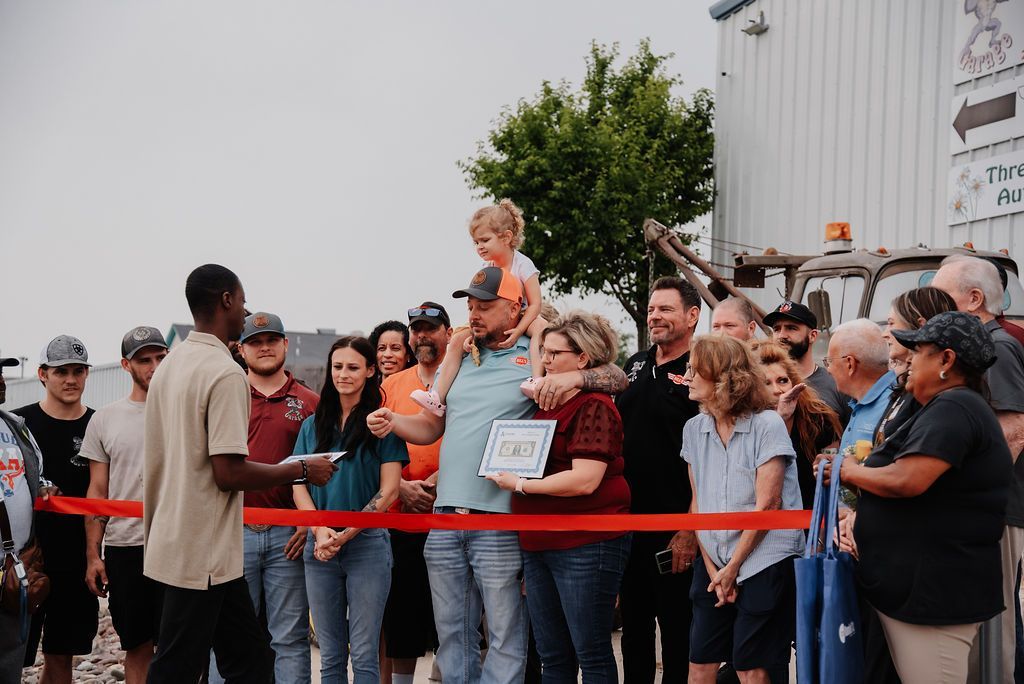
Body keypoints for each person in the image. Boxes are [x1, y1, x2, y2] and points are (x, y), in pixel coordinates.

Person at [367, 266, 627, 684]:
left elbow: (614, 377)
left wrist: (567, 363)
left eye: (486, 306)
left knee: (505, 634)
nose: (474, 313)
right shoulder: (462, 357)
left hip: (501, 517)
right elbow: (432, 426)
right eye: (470, 305)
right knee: (452, 634)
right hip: (447, 515)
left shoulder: (541, 352)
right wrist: (393, 420)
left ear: (515, 309)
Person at [143, 264, 338, 683]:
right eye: (243, 302)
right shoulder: (225, 371)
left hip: (180, 539)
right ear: (226, 301)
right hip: (205, 550)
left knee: (249, 660)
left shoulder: (169, 367)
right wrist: (301, 468)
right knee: (178, 664)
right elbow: (228, 472)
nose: (245, 312)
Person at [822, 311, 1011, 684]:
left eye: (919, 351)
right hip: (917, 590)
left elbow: (908, 479)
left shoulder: (956, 407)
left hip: (934, 596)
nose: (908, 360)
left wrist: (845, 471)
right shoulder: (943, 406)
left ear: (946, 360)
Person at [487, 311, 631, 683]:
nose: (545, 360)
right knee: (553, 656)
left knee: (591, 651)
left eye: (554, 353)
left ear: (582, 359)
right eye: (544, 352)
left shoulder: (595, 404)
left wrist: (520, 485)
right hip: (540, 544)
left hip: (585, 542)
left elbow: (585, 480)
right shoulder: (548, 402)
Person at [683, 335, 804, 682]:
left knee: (752, 667)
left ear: (724, 377)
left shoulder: (767, 425)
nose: (688, 377)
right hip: (714, 560)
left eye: (696, 370)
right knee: (700, 664)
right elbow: (697, 504)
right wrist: (714, 570)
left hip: (765, 557)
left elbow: (769, 505)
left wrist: (733, 567)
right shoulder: (693, 428)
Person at [291, 336, 408, 684]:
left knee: (364, 653)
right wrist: (319, 530)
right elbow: (298, 483)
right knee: (330, 655)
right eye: (338, 366)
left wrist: (346, 535)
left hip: (367, 545)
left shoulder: (381, 425)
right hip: (321, 546)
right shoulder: (312, 425)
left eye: (353, 367)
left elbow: (388, 491)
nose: (344, 374)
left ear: (371, 371)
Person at [932, 254, 1024, 681]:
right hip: (990, 507)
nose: (934, 307)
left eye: (942, 296)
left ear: (973, 299)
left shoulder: (997, 348)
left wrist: (977, 500)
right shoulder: (985, 344)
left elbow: (1013, 432)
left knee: (995, 628)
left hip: (998, 510)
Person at [221, 311, 320, 684]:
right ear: (241, 350)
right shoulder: (224, 394)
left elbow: (325, 468)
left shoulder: (309, 401)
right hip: (233, 531)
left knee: (290, 639)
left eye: (271, 340)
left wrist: (308, 522)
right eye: (255, 342)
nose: (264, 348)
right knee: (227, 636)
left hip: (288, 539)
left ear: (285, 344)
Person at [616, 276, 701, 684]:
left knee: (677, 634)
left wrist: (689, 527)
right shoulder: (635, 364)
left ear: (692, 315)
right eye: (652, 309)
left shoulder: (702, 371)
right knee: (633, 633)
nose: (655, 317)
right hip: (627, 526)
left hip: (676, 529)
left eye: (665, 309)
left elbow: (709, 460)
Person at [80, 326, 168, 684]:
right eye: (144, 360)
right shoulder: (105, 419)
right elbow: (97, 490)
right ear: (125, 365)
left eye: (160, 358)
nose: (154, 366)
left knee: (183, 646)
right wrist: (93, 555)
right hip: (126, 546)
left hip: (177, 544)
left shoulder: (186, 412)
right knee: (137, 646)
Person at [411, 199, 547, 416]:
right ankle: (437, 395)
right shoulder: (486, 267)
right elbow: (478, 306)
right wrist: (472, 335)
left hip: (523, 313)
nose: (480, 247)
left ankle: (537, 379)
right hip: (495, 319)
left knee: (541, 329)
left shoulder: (523, 264)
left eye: (485, 240)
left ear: (507, 237)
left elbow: (536, 303)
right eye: (476, 242)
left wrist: (519, 330)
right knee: (456, 339)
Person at [13, 335, 95, 683]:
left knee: (61, 655)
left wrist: (96, 555)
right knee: (11, 655)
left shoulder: (98, 425)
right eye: (61, 371)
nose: (71, 379)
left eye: (78, 371)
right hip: (22, 557)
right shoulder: (17, 426)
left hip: (76, 558)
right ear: (42, 374)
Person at [380, 303, 451, 684]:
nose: (422, 335)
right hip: (402, 516)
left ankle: (445, 675)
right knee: (403, 614)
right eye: (416, 329)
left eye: (431, 328)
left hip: (450, 515)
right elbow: (377, 448)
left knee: (452, 616)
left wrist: (442, 479)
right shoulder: (391, 385)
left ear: (448, 333)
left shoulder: (461, 376)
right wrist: (402, 487)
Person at [0, 356, 48, 684]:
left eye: (0, 373)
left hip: (16, 568)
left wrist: (45, 488)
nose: (2, 381)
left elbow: (36, 474)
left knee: (9, 662)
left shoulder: (14, 425)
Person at [749, 340, 840, 508]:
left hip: (810, 521)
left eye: (782, 380)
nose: (777, 390)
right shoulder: (745, 424)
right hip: (760, 523)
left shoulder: (818, 419)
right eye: (766, 383)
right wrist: (780, 420)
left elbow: (833, 479)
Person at [765, 300, 851, 425]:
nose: (781, 335)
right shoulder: (759, 383)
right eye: (776, 329)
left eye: (791, 328)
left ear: (812, 336)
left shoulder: (835, 382)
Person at [824, 319, 895, 455]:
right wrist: (832, 461)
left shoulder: (895, 406)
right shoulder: (862, 401)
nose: (828, 369)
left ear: (850, 364)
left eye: (829, 361)